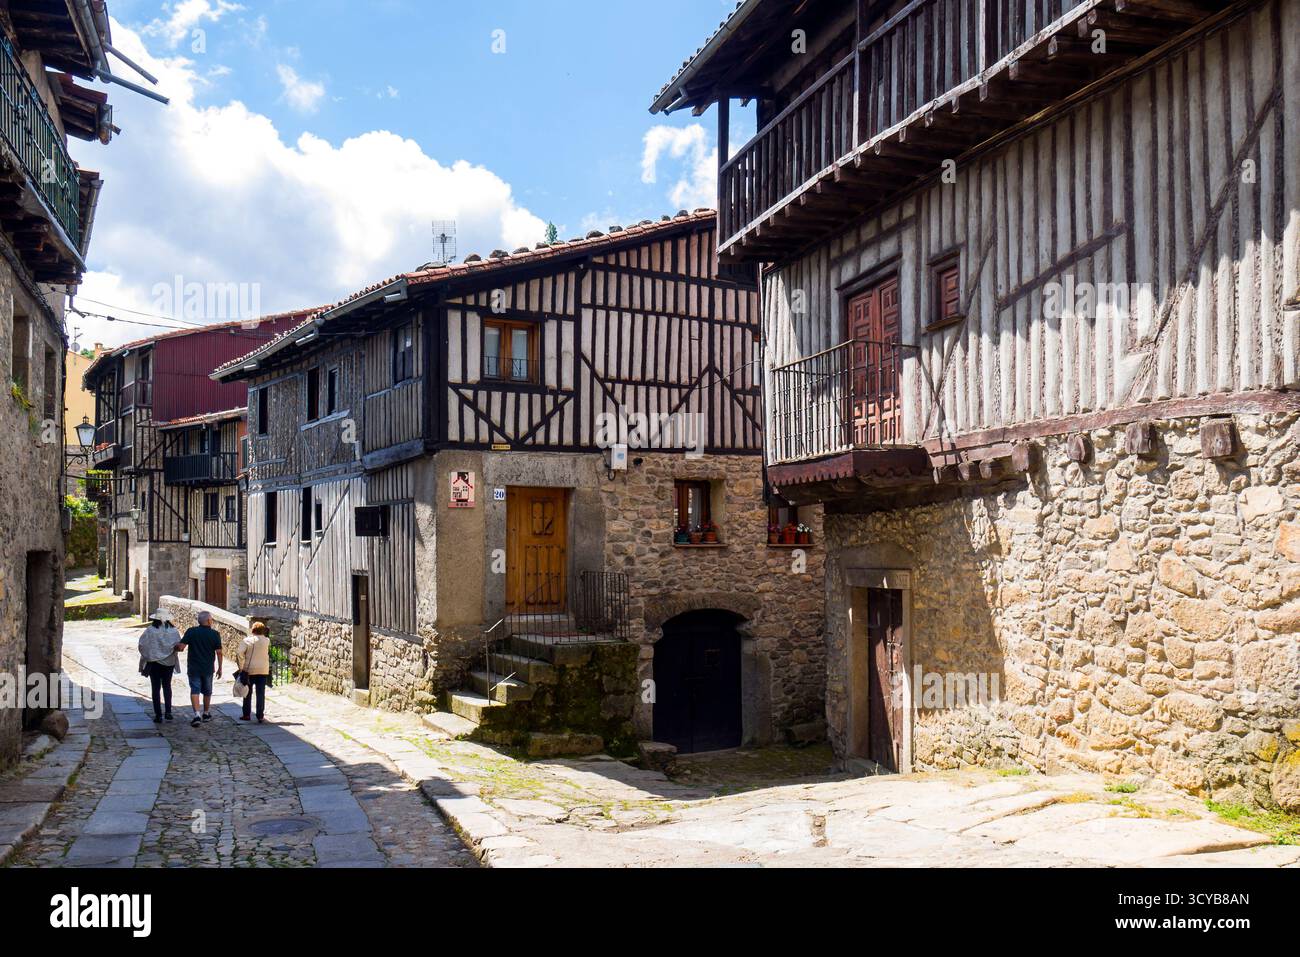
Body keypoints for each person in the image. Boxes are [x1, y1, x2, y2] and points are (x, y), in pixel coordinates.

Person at [177, 610, 223, 728]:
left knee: (195, 690)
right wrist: (220, 668)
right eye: (211, 618)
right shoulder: (215, 634)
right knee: (207, 691)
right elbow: (219, 653)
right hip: (208, 668)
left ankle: (197, 715)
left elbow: (181, 647)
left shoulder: (191, 632)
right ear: (208, 620)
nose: (212, 620)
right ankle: (206, 713)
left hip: (193, 667)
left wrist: (173, 646)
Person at [137, 610, 182, 723]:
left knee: (155, 688)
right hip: (169, 663)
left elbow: (142, 645)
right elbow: (178, 645)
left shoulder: (150, 631)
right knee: (167, 686)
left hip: (154, 663)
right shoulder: (173, 631)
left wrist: (149, 655)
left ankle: (158, 715)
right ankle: (168, 712)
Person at [238, 623, 272, 723]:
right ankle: (260, 715)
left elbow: (239, 652)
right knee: (261, 693)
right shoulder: (267, 641)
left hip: (249, 670)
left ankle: (246, 714)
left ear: (252, 630)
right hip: (263, 670)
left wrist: (241, 665)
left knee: (247, 692)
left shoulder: (247, 640)